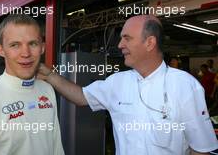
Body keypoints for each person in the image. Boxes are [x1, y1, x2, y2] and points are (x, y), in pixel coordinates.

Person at [38, 15, 218, 155]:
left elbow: (200, 149)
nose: (120, 44)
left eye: (127, 38)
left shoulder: (185, 86)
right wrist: (50, 75)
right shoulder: (117, 82)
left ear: (150, 43)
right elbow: (81, 96)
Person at [0, 14, 64, 155]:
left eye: (33, 44)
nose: (26, 53)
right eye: (15, 45)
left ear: (42, 48)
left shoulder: (47, 90)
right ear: (1, 50)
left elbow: (56, 148)